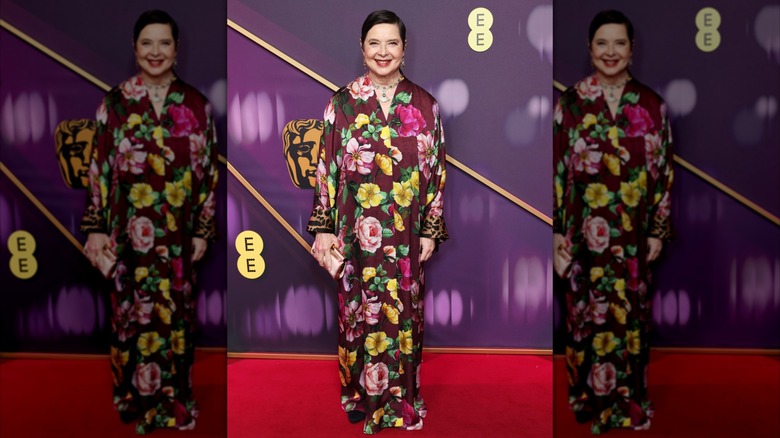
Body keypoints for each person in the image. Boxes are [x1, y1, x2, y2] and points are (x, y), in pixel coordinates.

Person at [307, 9, 448, 434]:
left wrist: (430, 229)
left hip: (405, 236)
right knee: (357, 313)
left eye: (392, 43)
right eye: (374, 43)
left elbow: (436, 170)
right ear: (362, 48)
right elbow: (325, 169)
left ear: (404, 50)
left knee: (403, 313)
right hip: (354, 236)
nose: (383, 51)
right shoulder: (341, 103)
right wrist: (324, 227)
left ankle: (403, 398)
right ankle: (357, 393)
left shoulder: (425, 105)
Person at [80, 10, 218, 434]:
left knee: (176, 317)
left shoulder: (196, 105)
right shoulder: (115, 104)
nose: (155, 52)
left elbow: (208, 173)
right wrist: (97, 228)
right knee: (129, 316)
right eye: (147, 43)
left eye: (164, 43)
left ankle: (175, 400)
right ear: (135, 49)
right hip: (126, 237)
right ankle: (132, 398)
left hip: (177, 238)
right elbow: (98, 170)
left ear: (176, 50)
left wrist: (201, 230)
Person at [553, 10, 673, 434]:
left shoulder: (653, 106)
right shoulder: (570, 103)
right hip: (582, 235)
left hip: (633, 238)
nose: (610, 52)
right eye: (601, 43)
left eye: (619, 43)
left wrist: (658, 229)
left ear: (631, 49)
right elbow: (557, 170)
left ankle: (628, 398)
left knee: (630, 318)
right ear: (589, 49)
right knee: (585, 316)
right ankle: (588, 398)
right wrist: (556, 234)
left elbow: (663, 172)